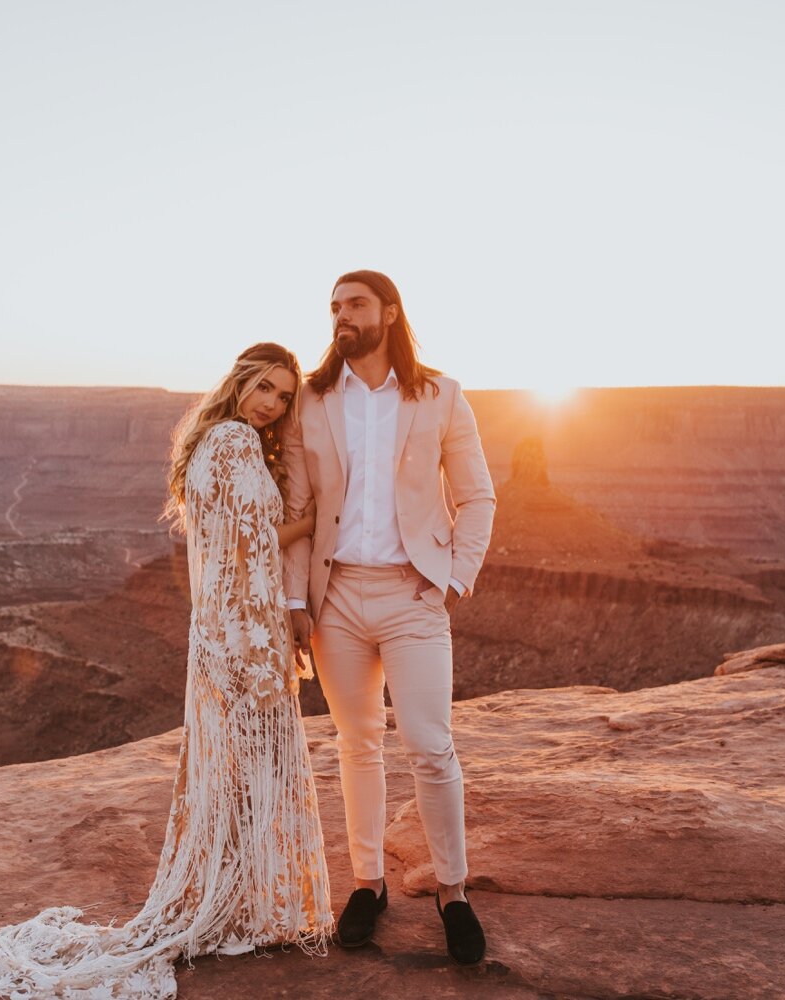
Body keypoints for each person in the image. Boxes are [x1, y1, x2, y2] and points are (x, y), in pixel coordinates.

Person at [0, 342, 332, 1000]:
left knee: (230, 771)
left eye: (283, 397)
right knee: (255, 771)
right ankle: (239, 908)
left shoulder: (210, 440)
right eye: (265, 388)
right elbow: (247, 542)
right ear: (241, 379)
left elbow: (225, 541)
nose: (271, 404)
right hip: (242, 632)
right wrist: (311, 519)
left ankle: (231, 903)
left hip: (219, 629)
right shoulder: (233, 442)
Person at [280, 270, 496, 965]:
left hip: (412, 596)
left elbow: (477, 497)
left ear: (389, 312)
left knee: (431, 746)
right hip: (335, 598)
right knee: (357, 744)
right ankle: (367, 884)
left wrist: (455, 578)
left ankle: (453, 892)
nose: (342, 315)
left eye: (355, 304)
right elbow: (296, 512)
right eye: (335, 306)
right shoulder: (311, 402)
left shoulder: (440, 395)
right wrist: (293, 600)